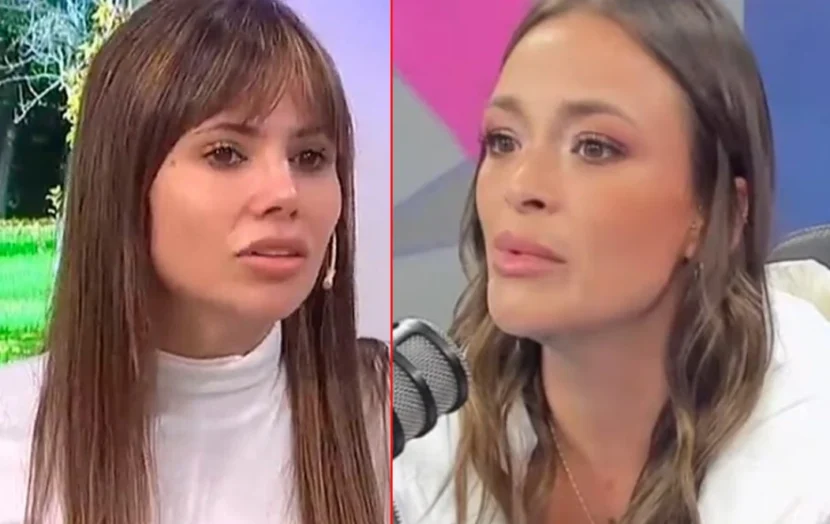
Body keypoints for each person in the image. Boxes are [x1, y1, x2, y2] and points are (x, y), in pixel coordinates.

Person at [393, 1, 830, 523]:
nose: (521, 185)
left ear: (717, 213)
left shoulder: (808, 448)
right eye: (503, 141)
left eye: (594, 148)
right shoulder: (417, 437)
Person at [0, 0, 389, 523]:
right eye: (226, 153)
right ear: (125, 182)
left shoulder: (386, 424)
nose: (285, 192)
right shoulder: (13, 442)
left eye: (310, 158)